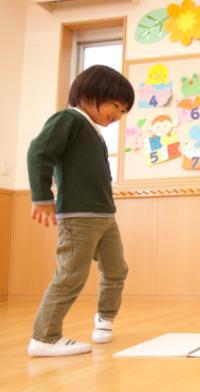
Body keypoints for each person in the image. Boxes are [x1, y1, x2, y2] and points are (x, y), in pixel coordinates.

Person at [26, 65, 135, 356]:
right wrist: (41, 197)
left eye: (124, 111)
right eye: (116, 105)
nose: (119, 114)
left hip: (104, 217)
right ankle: (44, 337)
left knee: (116, 270)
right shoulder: (68, 119)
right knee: (71, 275)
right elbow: (39, 153)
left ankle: (105, 318)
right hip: (79, 216)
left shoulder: (92, 130)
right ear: (90, 94)